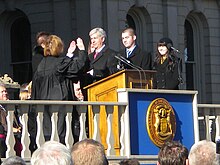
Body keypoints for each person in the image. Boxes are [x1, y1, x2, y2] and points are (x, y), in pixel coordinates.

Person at [31, 35, 88, 143]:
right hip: (61, 106)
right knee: (61, 137)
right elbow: (78, 68)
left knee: (48, 137)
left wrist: (69, 55)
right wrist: (82, 50)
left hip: (43, 106)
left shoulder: (41, 65)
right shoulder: (60, 63)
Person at [0, 84, 22, 157]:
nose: (5, 93)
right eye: (2, 92)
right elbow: (2, 125)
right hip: (3, 136)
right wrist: (10, 129)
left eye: (5, 91)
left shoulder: (9, 107)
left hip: (13, 136)